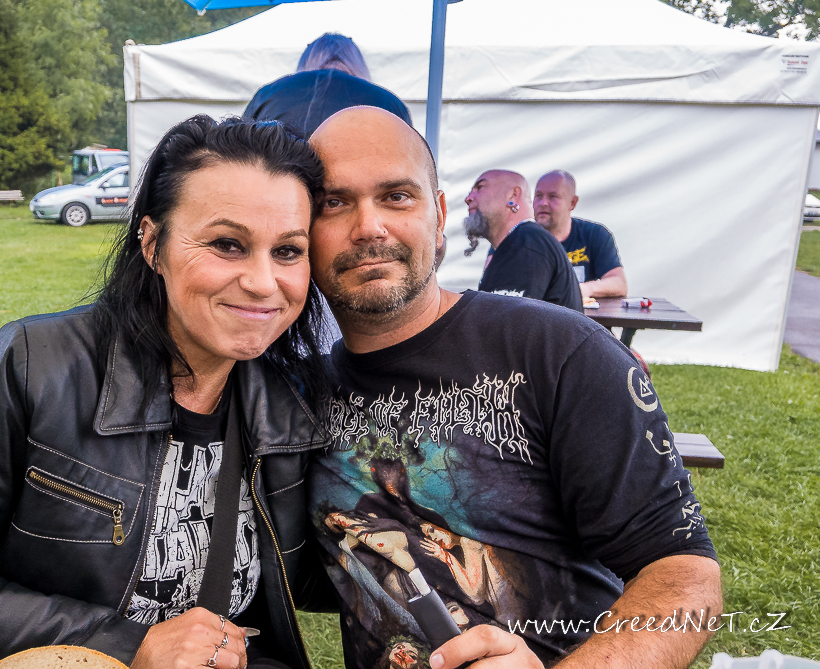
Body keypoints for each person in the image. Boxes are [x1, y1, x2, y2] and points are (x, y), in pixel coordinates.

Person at [0, 116, 332, 669]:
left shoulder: (295, 401)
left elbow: (316, 575)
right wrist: (128, 645)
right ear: (152, 244)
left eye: (288, 251)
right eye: (227, 244)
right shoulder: (35, 366)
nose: (262, 282)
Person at [306, 107, 722, 669]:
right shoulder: (295, 395)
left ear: (439, 215)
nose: (369, 227)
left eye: (397, 196)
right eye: (334, 203)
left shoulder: (560, 353)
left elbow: (686, 573)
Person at [242, 33, 413, 139]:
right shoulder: (389, 103)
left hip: (283, 186)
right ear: (358, 63)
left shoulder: (267, 95)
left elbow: (238, 151)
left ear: (306, 61)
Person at [464, 170, 583, 312]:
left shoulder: (526, 245)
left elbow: (502, 322)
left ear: (513, 196)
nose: (468, 198)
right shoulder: (519, 242)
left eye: (480, 187)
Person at [534, 170, 628, 298]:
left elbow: (619, 283)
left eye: (553, 196)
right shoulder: (519, 238)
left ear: (572, 203)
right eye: (538, 196)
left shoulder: (594, 235)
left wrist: (584, 289)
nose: (543, 203)